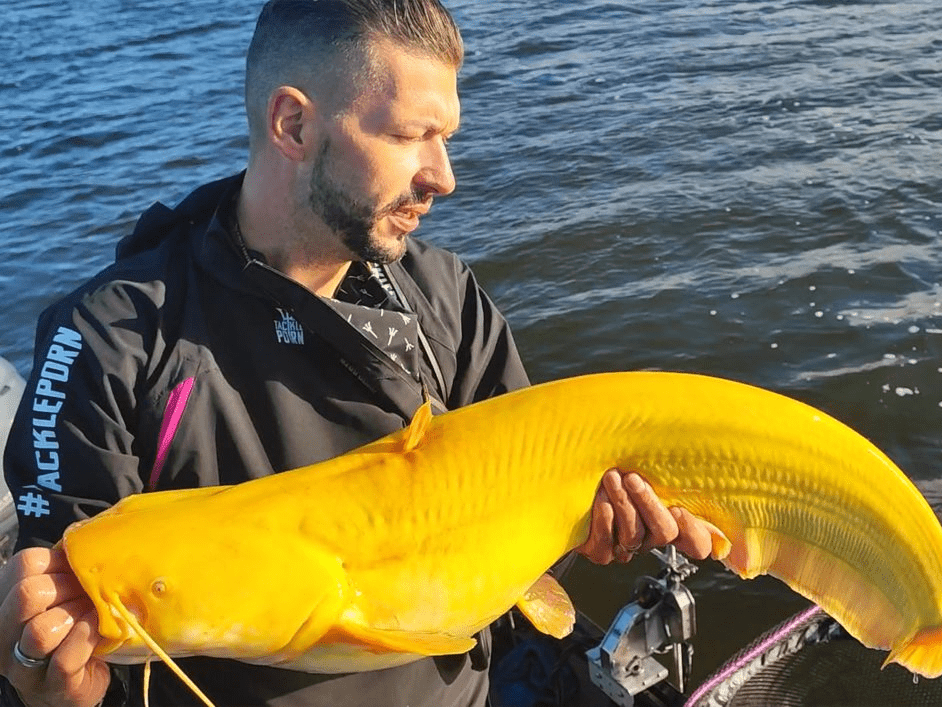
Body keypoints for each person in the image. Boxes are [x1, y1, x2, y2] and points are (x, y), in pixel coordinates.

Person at [0, 1, 713, 705]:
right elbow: (71, 627)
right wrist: (50, 680)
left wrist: (586, 528)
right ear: (293, 125)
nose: (443, 176)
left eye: (446, 137)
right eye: (410, 135)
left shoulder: (445, 296)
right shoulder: (108, 339)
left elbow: (526, 522)